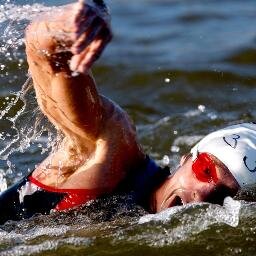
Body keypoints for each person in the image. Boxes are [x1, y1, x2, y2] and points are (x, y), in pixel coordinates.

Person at [0, 0, 255, 224]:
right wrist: (68, 26)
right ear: (187, 158)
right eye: (205, 171)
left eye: (225, 197)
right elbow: (44, 52)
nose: (202, 196)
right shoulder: (110, 148)